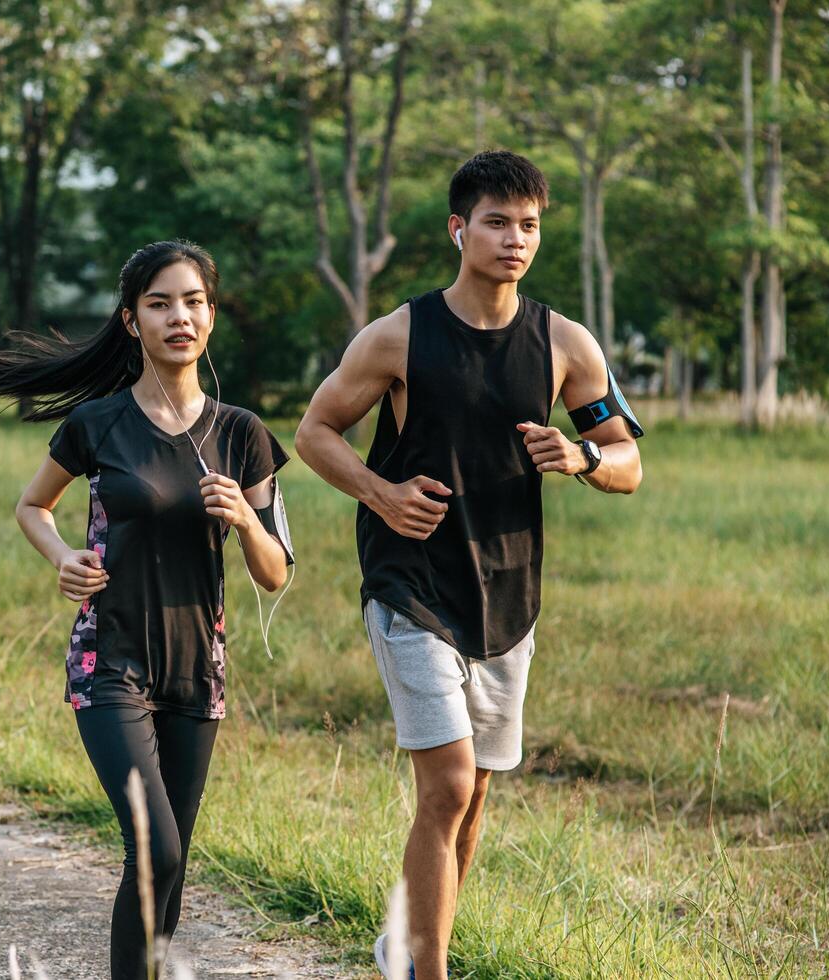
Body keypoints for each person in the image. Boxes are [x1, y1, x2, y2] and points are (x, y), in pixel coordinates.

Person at [293, 151, 644, 980]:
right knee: (448, 785)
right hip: (408, 583)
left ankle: (407, 939)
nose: (513, 239)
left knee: (473, 798)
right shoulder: (398, 335)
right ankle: (427, 972)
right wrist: (380, 494)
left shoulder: (564, 343)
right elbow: (313, 432)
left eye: (527, 225)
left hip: (508, 593)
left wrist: (581, 457)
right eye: (495, 222)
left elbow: (626, 459)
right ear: (458, 229)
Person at [0, 240, 293, 980]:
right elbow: (33, 506)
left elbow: (275, 572)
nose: (177, 316)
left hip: (197, 671)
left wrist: (245, 522)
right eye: (159, 303)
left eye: (192, 302)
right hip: (107, 660)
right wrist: (63, 559)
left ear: (210, 316)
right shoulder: (98, 424)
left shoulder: (241, 434)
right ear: (131, 321)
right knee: (154, 847)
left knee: (170, 865)